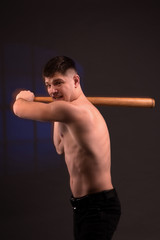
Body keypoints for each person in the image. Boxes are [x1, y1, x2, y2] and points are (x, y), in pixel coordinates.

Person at [13, 56, 121, 240]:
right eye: (47, 85)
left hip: (99, 207)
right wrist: (58, 103)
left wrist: (22, 98)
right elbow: (60, 147)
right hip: (83, 206)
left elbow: (19, 109)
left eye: (58, 83)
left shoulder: (78, 112)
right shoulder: (68, 112)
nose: (51, 90)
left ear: (76, 80)